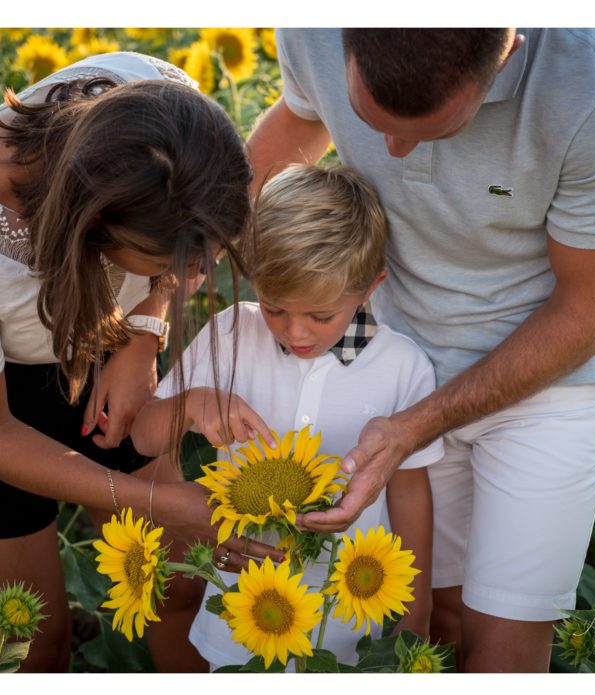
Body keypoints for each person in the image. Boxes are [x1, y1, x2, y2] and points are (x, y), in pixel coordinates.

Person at [247, 29, 595, 671]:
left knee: (505, 648)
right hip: (402, 358)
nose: (393, 152)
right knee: (430, 624)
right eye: (368, 121)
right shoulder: (312, 25)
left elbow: (583, 311)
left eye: (433, 132)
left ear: (507, 56)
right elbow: (297, 123)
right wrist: (157, 307)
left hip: (549, 374)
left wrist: (416, 426)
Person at [0, 51, 279, 672]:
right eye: (163, 263)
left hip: (105, 344)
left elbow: (186, 237)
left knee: (177, 583)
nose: (191, 276)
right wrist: (154, 502)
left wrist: (145, 330)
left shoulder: (164, 105)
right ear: (93, 224)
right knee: (35, 638)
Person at [131, 164, 443, 668]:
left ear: (370, 288)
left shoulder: (402, 367)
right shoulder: (230, 334)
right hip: (240, 608)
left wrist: (418, 606)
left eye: (321, 315)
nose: (296, 332)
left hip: (346, 611)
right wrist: (191, 404)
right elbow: (143, 438)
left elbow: (408, 490)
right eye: (274, 307)